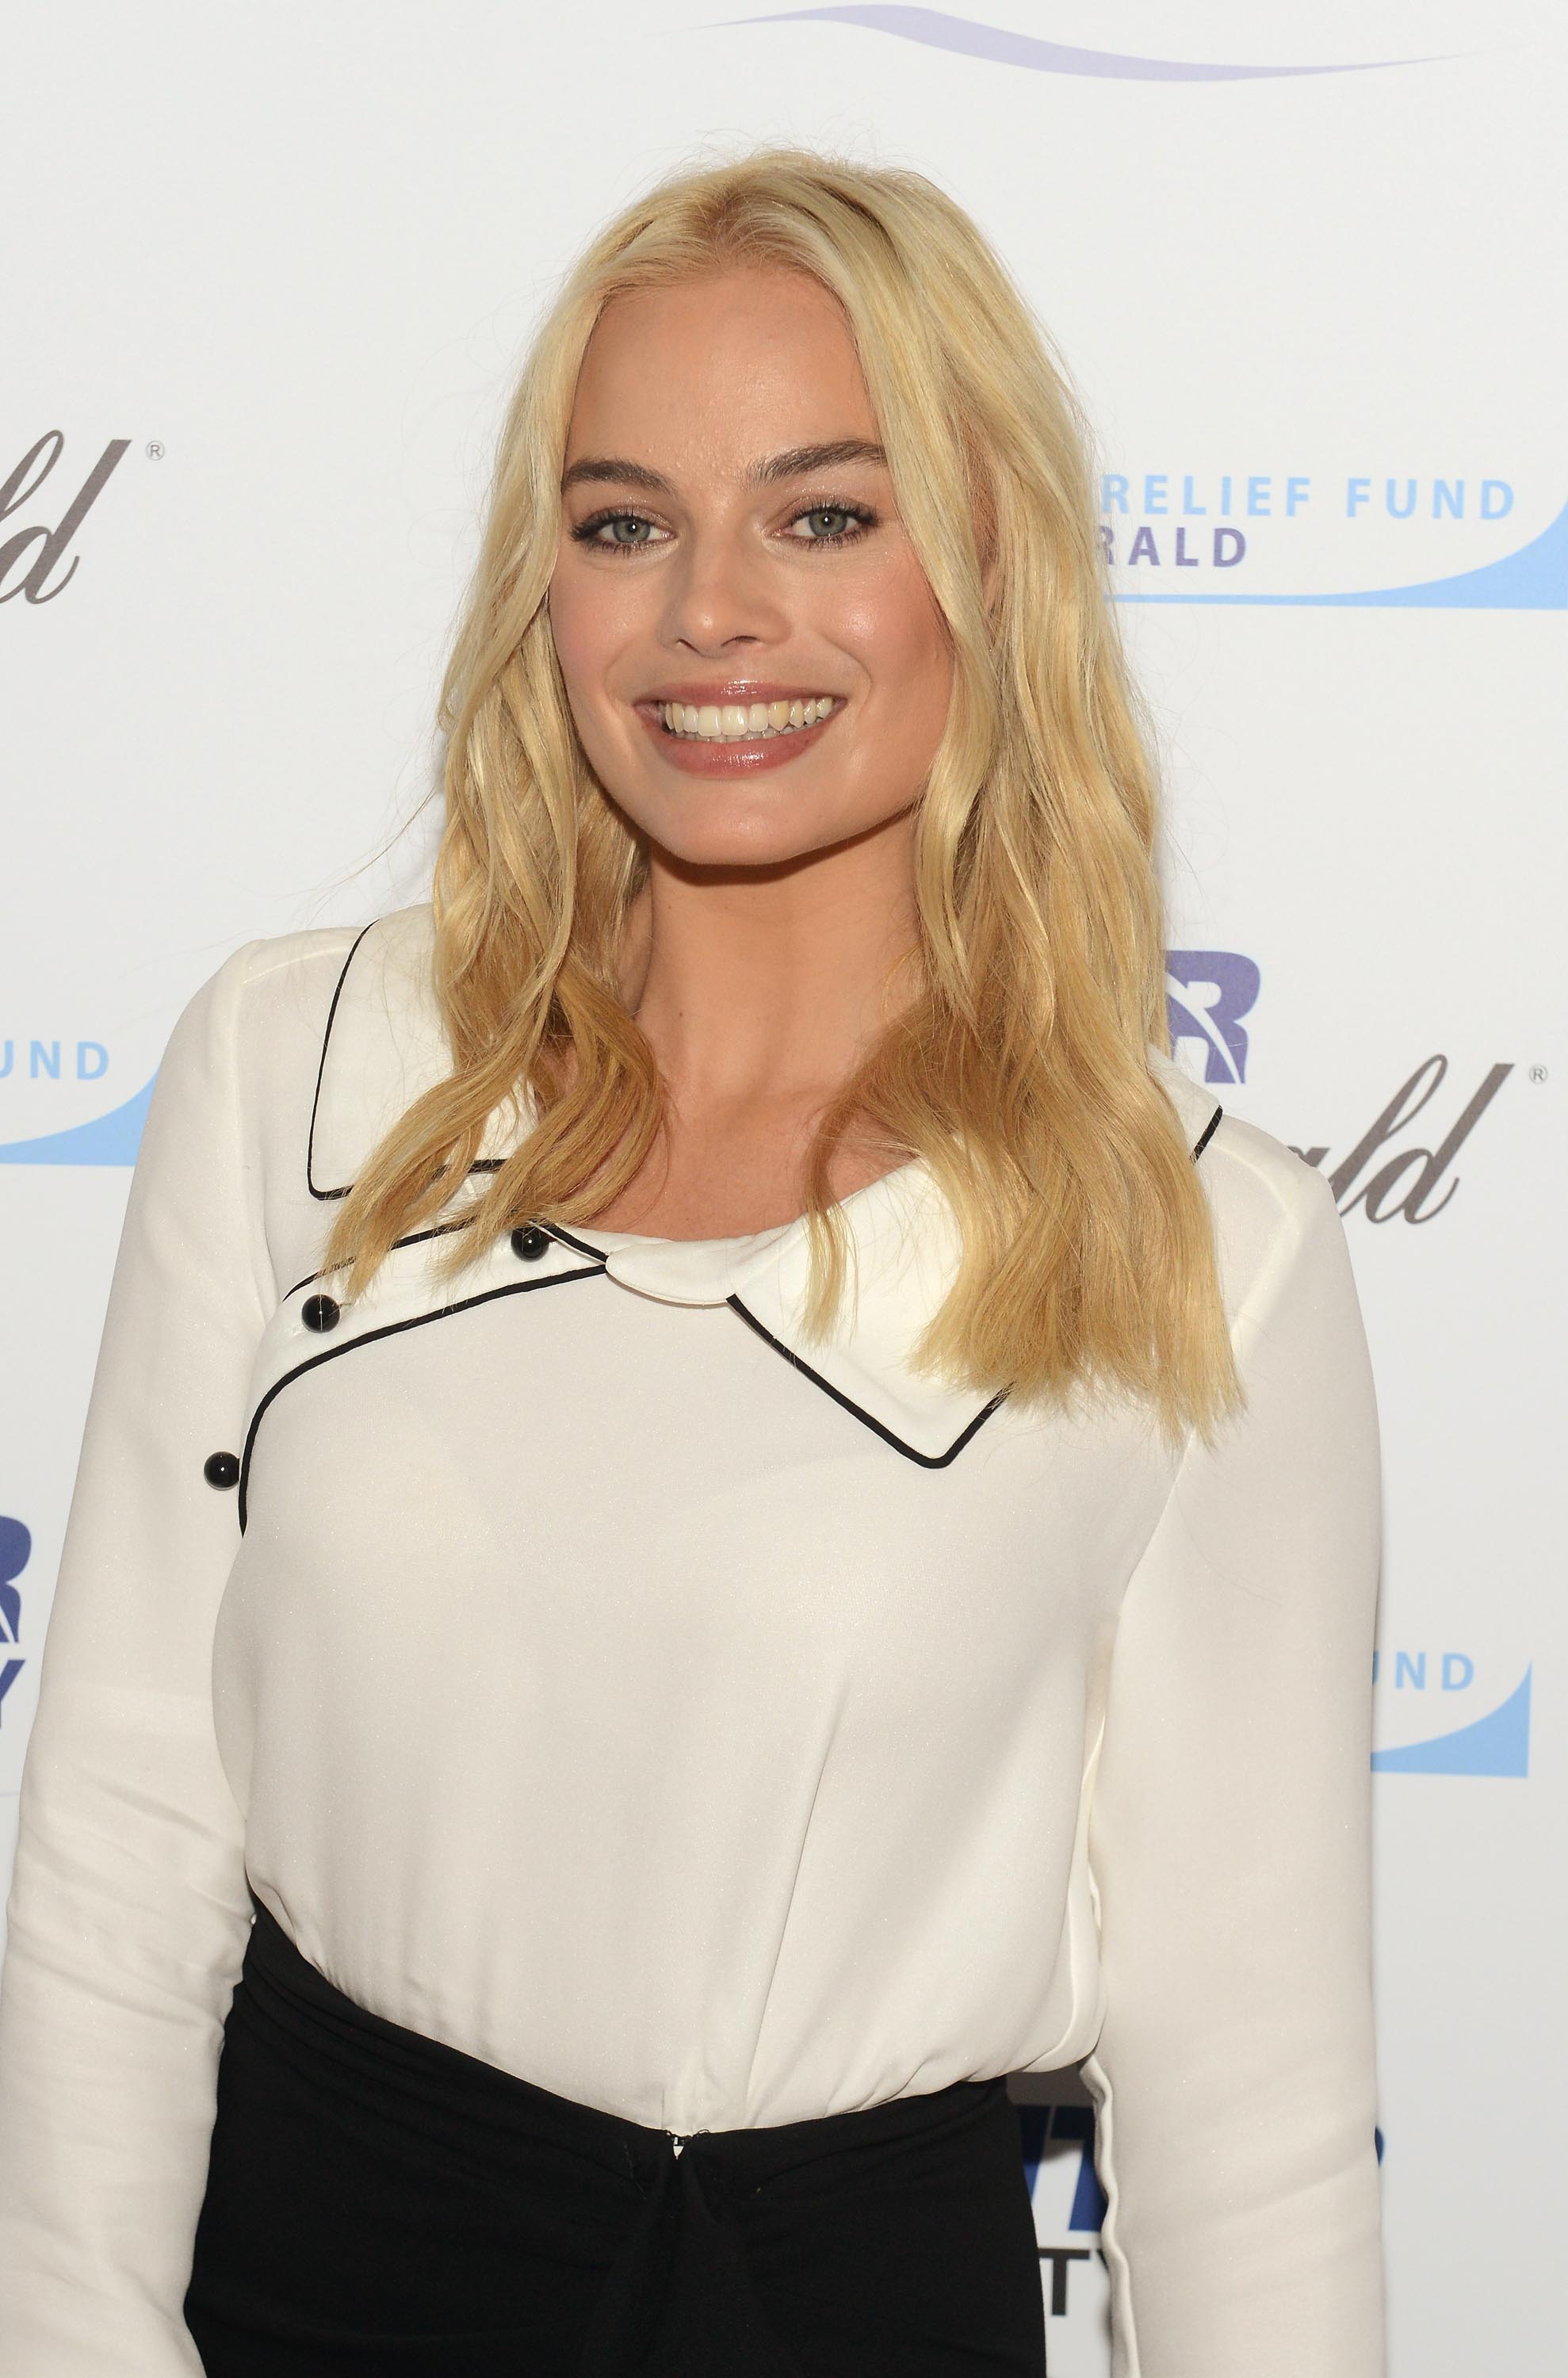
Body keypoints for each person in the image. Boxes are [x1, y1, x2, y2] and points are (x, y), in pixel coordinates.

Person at [0, 148, 1385, 2376]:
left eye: (823, 516)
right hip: (310, 2278)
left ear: (992, 562)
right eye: (624, 522)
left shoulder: (1203, 1240)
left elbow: (1250, 2104)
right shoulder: (301, 1070)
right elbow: (123, 1834)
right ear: (542, 586)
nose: (709, 614)